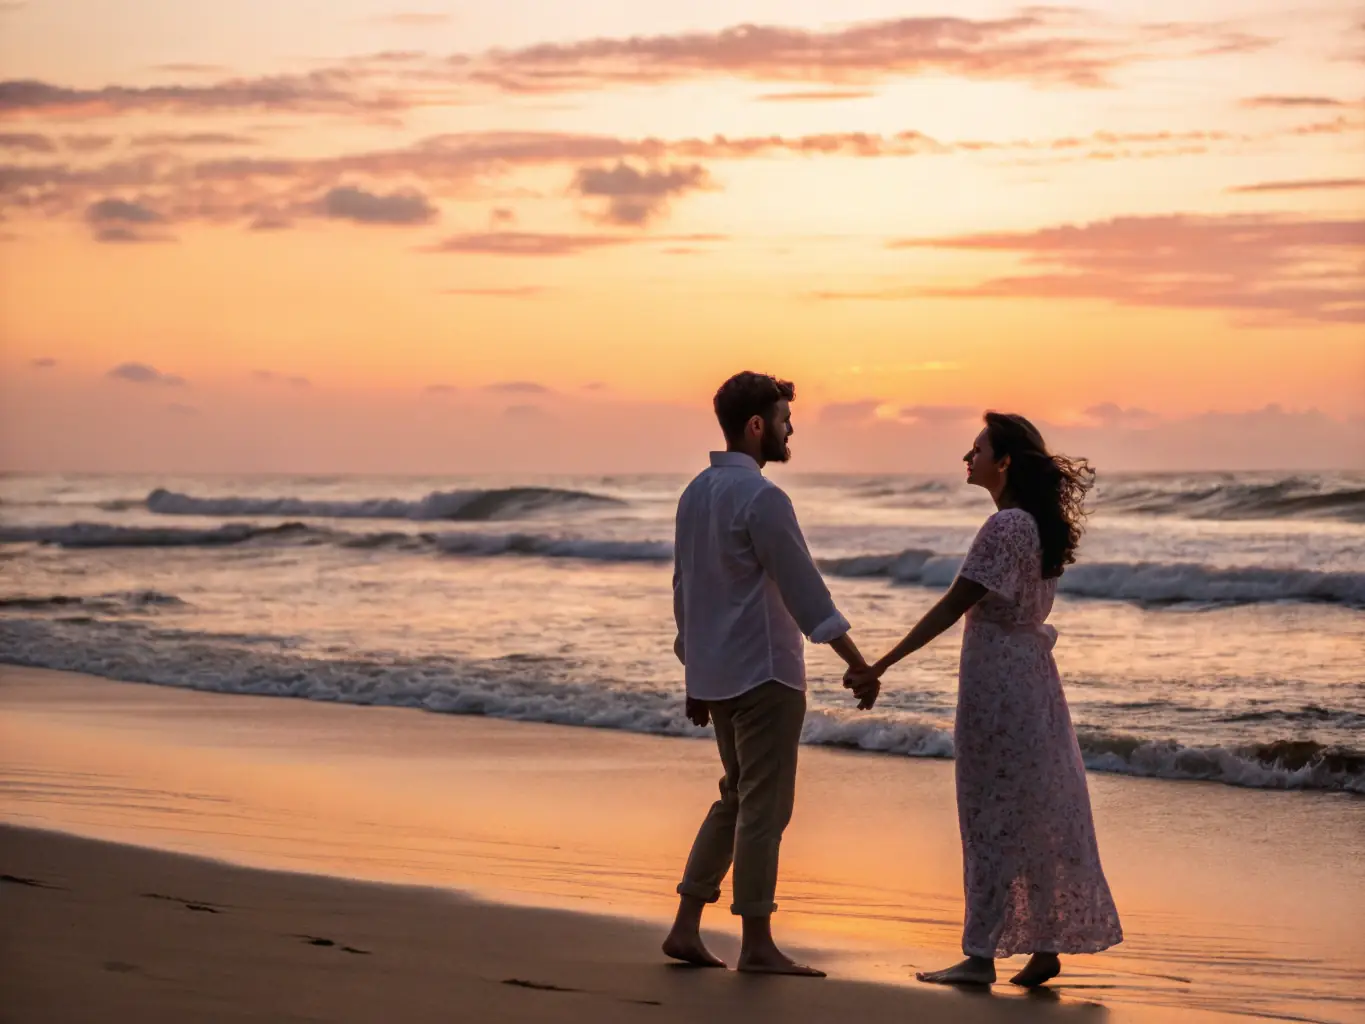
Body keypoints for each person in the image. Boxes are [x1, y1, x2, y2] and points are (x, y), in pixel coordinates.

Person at [846, 412, 1122, 988]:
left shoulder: (1004, 528)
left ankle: (980, 955)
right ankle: (1043, 947)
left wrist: (879, 665)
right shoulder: (1036, 525)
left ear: (1005, 462)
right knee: (1032, 810)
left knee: (991, 813)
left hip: (998, 687)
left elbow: (952, 605)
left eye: (976, 449)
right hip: (1034, 684)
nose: (966, 458)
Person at [662, 371, 874, 977]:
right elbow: (804, 589)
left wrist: (694, 674)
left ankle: (685, 927)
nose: (789, 430)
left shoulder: (695, 493)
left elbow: (687, 592)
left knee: (737, 798)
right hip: (765, 674)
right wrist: (857, 664)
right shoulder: (762, 499)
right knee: (764, 809)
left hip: (720, 676)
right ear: (757, 426)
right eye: (783, 419)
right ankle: (756, 942)